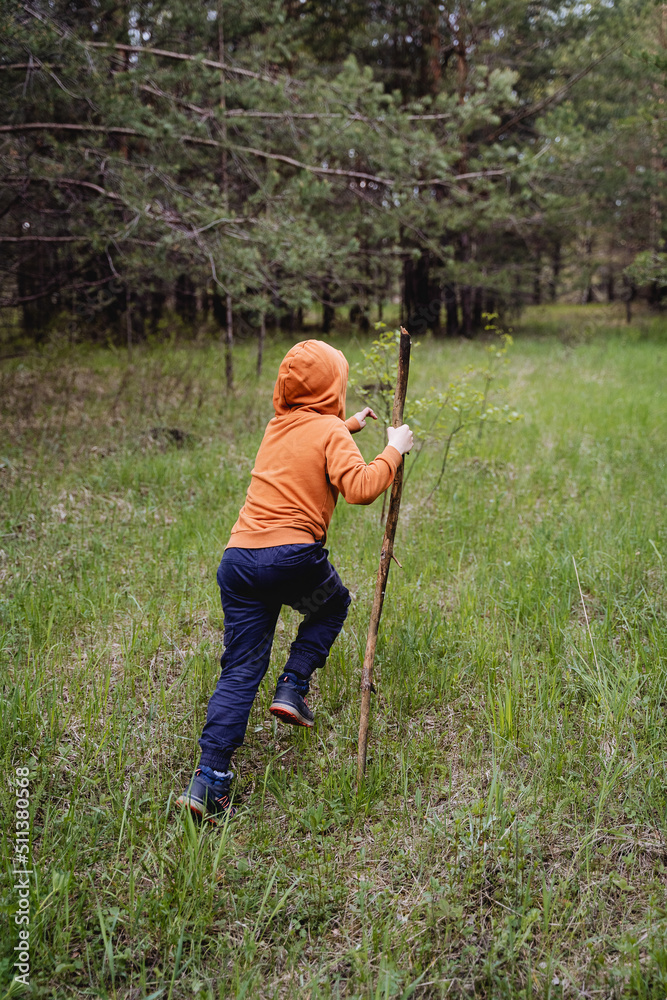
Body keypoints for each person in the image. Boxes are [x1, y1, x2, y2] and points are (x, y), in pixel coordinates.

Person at [176, 339, 413, 823]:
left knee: (240, 670)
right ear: (334, 387)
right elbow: (362, 488)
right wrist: (392, 449)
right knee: (331, 606)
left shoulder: (277, 426)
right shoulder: (329, 430)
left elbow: (309, 442)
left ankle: (209, 782)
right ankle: (292, 685)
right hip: (290, 558)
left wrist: (349, 429)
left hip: (239, 562)